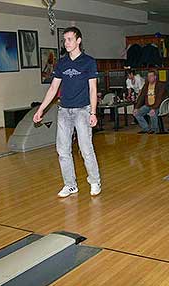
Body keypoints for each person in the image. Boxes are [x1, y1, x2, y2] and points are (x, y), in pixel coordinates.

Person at [33, 26, 101, 198]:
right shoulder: (62, 63)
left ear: (78, 40)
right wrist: (41, 109)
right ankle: (70, 185)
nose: (66, 43)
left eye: (70, 39)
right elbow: (54, 87)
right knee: (62, 150)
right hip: (64, 110)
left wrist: (93, 112)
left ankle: (94, 181)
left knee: (86, 149)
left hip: (82, 110)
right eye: (64, 40)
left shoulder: (89, 62)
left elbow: (93, 89)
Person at [133, 70, 167, 134]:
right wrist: (136, 108)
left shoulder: (160, 85)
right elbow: (141, 97)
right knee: (136, 114)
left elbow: (159, 98)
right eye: (148, 76)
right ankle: (146, 128)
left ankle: (154, 130)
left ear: (155, 77)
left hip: (157, 105)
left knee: (152, 114)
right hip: (148, 105)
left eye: (151, 76)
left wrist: (154, 108)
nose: (149, 78)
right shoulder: (146, 85)